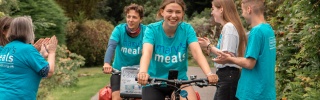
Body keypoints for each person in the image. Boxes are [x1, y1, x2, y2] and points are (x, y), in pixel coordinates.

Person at [136, 0, 218, 100]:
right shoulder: (152, 29)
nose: (174, 15)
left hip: (180, 82)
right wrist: (143, 72)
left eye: (178, 12)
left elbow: (197, 53)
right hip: (154, 82)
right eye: (169, 11)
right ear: (162, 12)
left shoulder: (187, 29)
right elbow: (147, 53)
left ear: (183, 13)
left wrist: (209, 73)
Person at [213, 0, 276, 99]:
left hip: (253, 93)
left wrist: (229, 59)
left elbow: (249, 63)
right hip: (266, 92)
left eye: (242, 10)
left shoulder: (256, 32)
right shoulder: (268, 29)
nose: (242, 14)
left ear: (248, 9)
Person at [197, 0, 247, 100]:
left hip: (227, 75)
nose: (211, 12)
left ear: (221, 9)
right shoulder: (231, 27)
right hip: (229, 75)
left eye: (213, 9)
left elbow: (226, 57)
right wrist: (209, 47)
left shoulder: (229, 27)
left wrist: (209, 46)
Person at [0, 16, 58, 99]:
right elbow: (48, 72)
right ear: (28, 31)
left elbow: (23, 66)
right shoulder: (27, 49)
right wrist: (52, 52)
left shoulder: (6, 49)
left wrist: (40, 55)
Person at [102, 3, 146, 100]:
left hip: (139, 73)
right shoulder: (119, 30)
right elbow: (111, 46)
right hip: (119, 71)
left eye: (134, 17)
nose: (130, 20)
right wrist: (106, 63)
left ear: (140, 19)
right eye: (128, 16)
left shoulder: (146, 31)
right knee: (116, 98)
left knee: (140, 98)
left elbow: (150, 51)